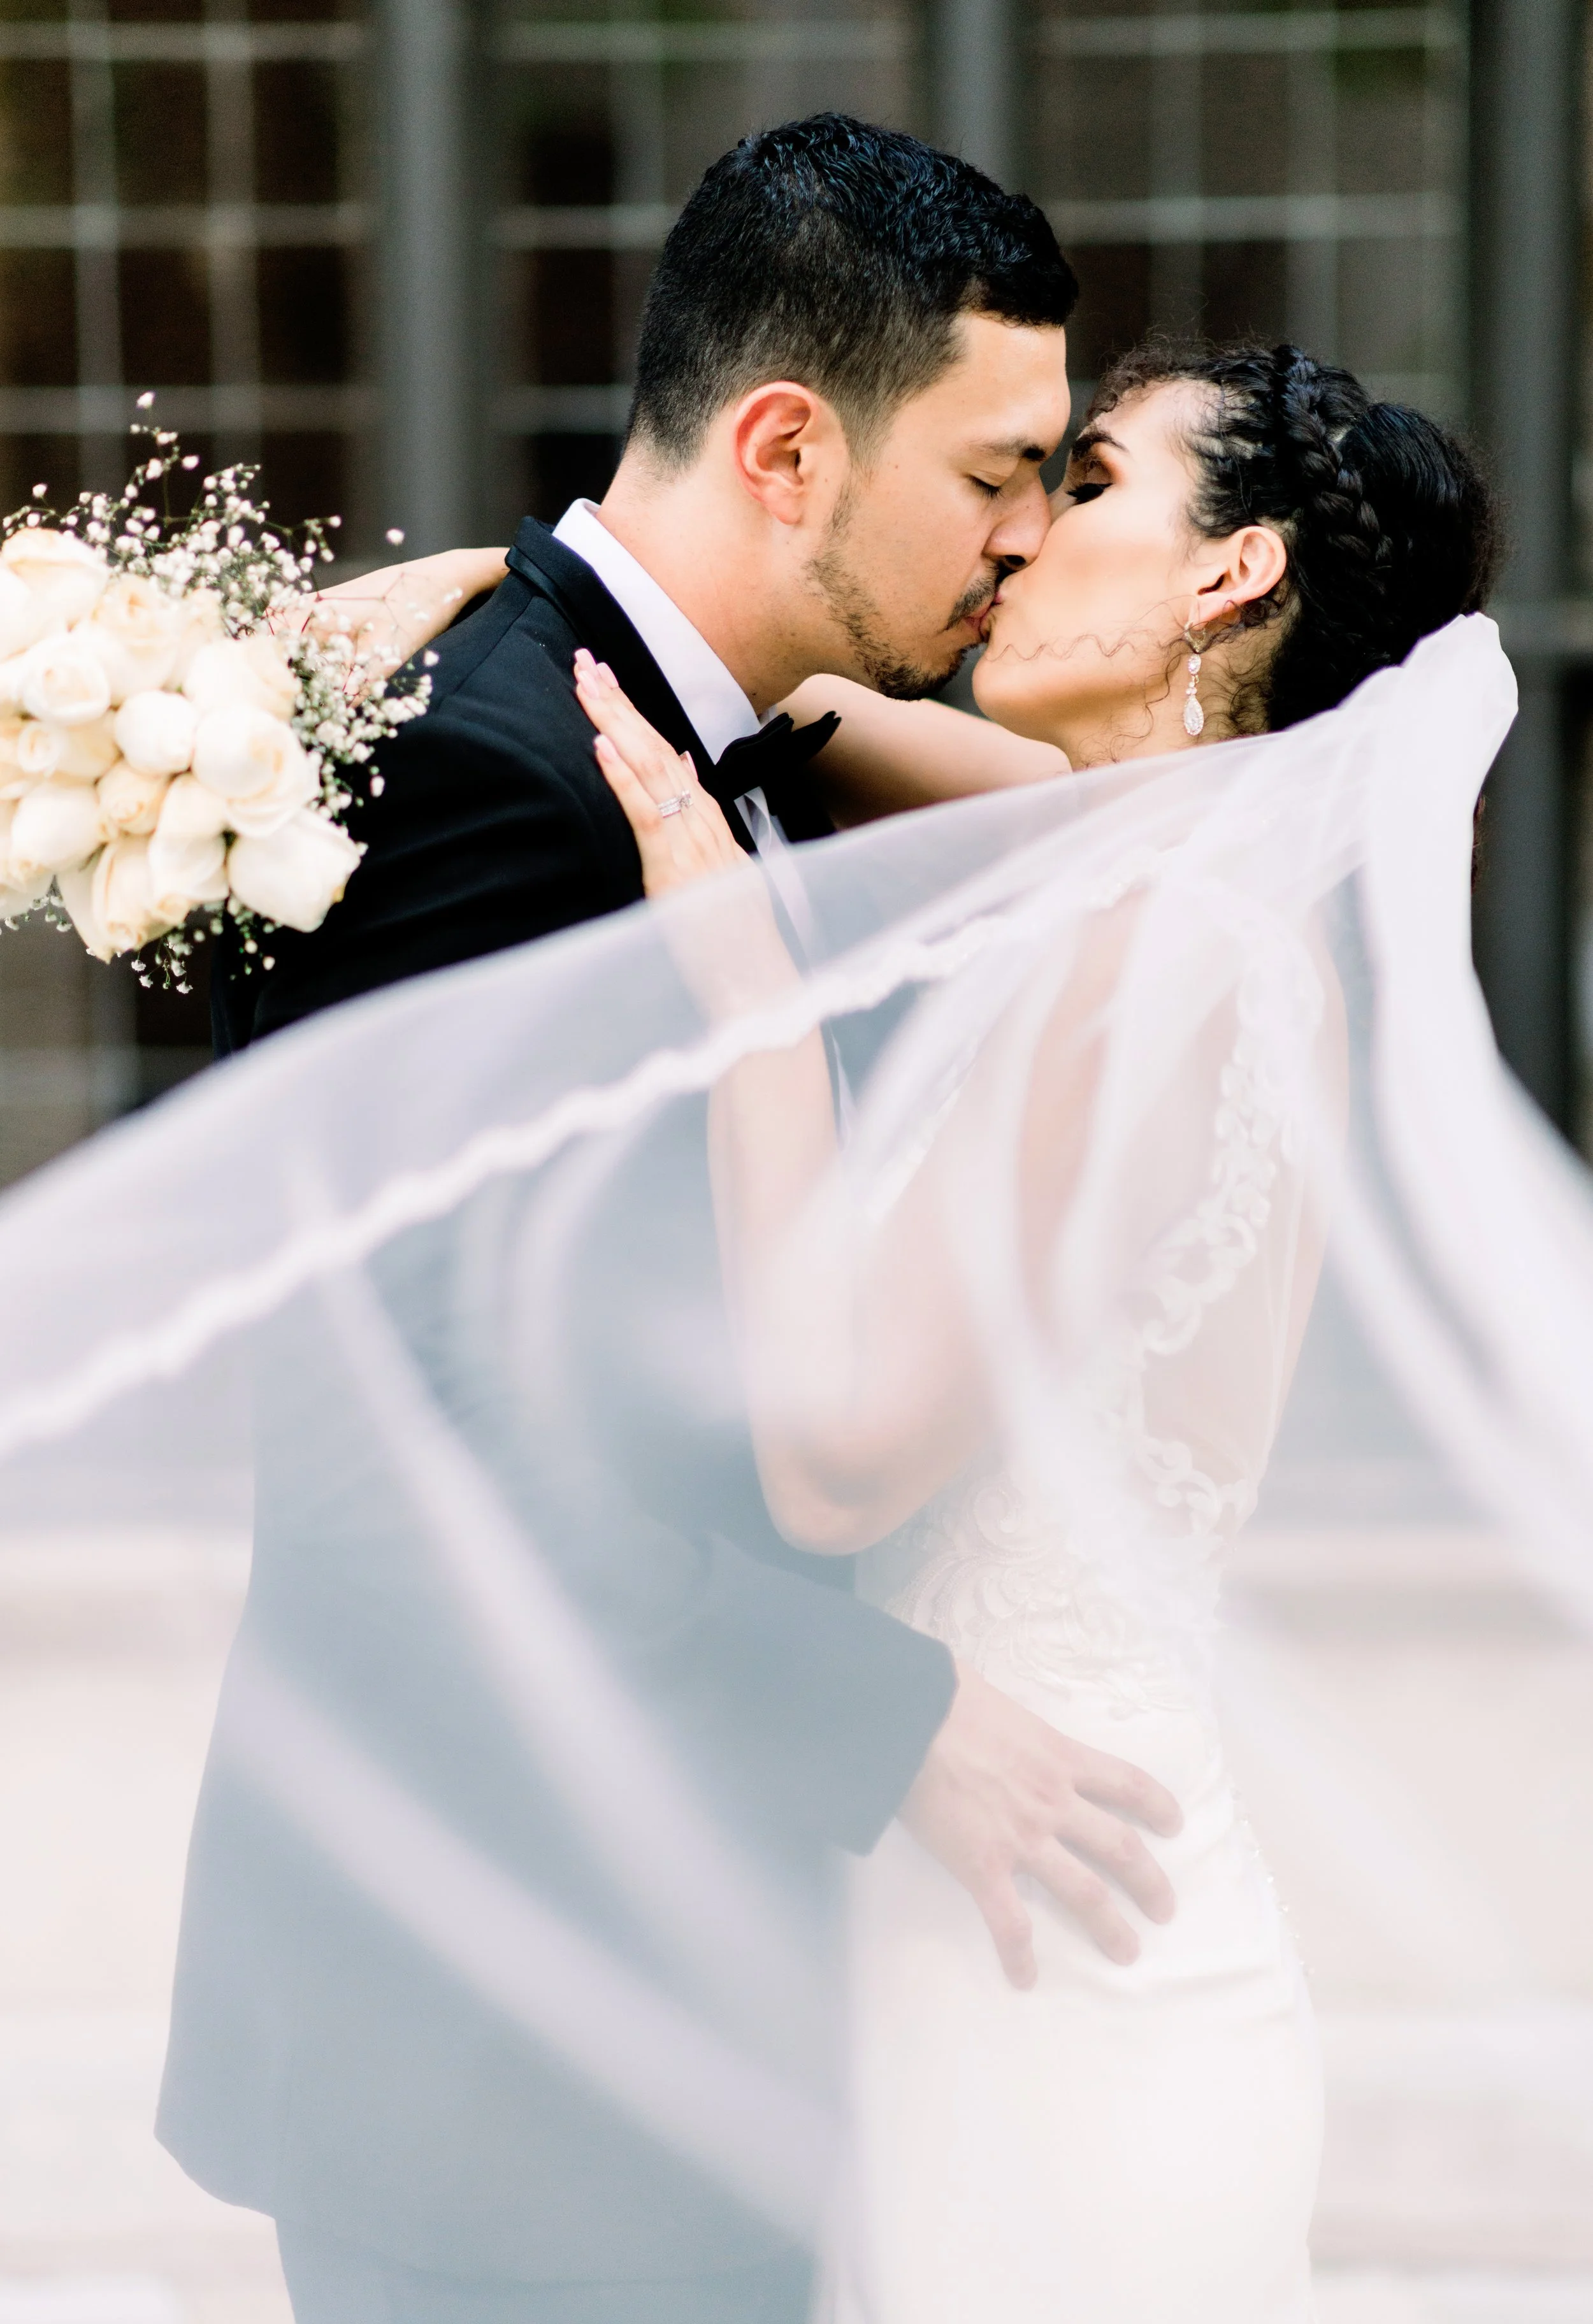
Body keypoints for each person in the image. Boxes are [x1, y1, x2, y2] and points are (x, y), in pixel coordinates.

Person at [161, 116, 1183, 2324]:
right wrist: (881, 1714)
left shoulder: (764, 748)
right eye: (998, 472)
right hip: (494, 2031)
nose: (1024, 539)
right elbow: (392, 1439)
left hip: (698, 1990)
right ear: (790, 448)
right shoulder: (486, 763)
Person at [570, 339, 1499, 2321]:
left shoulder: (1159, 943)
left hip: (1062, 1987)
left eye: (1084, 486)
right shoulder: (1171, 870)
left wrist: (736, 965)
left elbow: (829, 1460)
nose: (1015, 539)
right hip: (981, 1937)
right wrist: (518, 583)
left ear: (1224, 576)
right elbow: (810, 707)